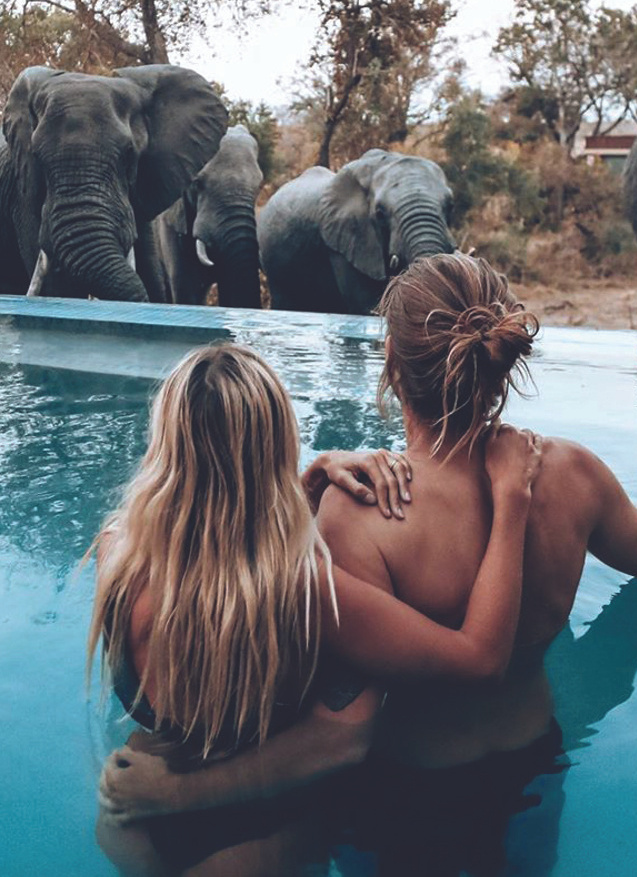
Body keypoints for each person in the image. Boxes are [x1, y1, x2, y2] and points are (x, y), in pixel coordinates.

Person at [89, 342, 544, 875]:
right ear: (276, 448)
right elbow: (468, 664)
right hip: (256, 846)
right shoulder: (307, 591)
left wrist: (306, 488)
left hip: (130, 825)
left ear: (164, 443)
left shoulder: (115, 553)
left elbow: (210, 574)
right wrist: (512, 497)